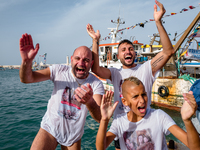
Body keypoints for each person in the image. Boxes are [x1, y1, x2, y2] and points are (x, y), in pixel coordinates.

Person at [87, 0, 174, 148]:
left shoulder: (147, 68)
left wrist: (158, 22)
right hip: (121, 127)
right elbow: (95, 69)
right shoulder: (115, 73)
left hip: (145, 125)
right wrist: (95, 41)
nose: (128, 51)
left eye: (130, 48)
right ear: (118, 56)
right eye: (123, 50)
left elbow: (168, 52)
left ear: (134, 52)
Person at [19, 33, 105, 150]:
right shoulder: (59, 70)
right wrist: (26, 62)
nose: (80, 63)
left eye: (86, 60)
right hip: (50, 129)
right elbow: (27, 79)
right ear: (71, 59)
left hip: (74, 135)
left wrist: (90, 102)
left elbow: (100, 117)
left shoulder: (96, 83)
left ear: (91, 63)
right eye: (77, 58)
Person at [96, 76, 200, 150]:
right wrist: (104, 120)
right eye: (135, 96)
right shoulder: (119, 121)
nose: (142, 100)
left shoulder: (159, 116)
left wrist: (187, 120)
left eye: (144, 94)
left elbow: (195, 147)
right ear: (125, 102)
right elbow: (100, 147)